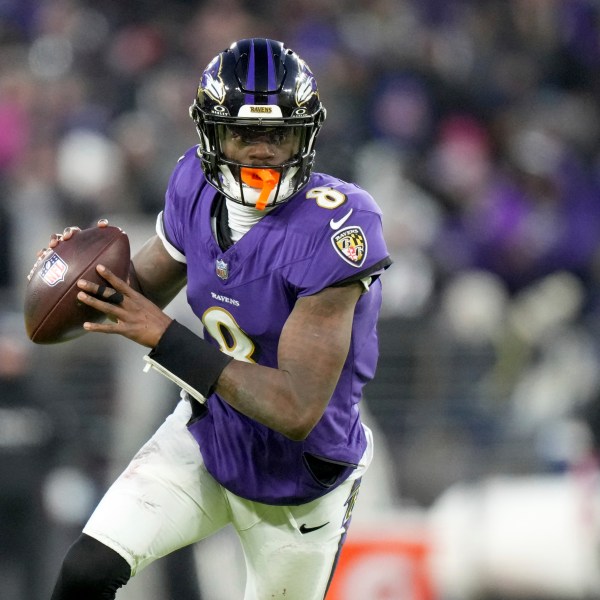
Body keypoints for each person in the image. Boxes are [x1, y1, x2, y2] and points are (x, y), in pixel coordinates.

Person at [47, 38, 391, 600]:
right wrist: (78, 277)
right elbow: (132, 293)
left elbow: (296, 408)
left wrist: (162, 337)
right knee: (85, 572)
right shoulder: (194, 185)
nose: (260, 151)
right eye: (244, 133)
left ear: (303, 135)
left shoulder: (340, 227)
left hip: (299, 481)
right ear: (212, 134)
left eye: (276, 134)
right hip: (209, 436)